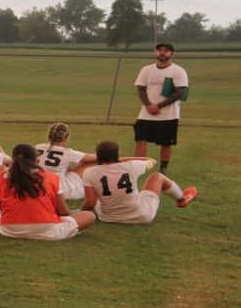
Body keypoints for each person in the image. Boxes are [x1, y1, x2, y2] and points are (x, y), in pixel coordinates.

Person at [0, 144, 96, 240]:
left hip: (10, 228)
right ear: (37, 160)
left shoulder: (1, 177)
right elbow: (63, 212)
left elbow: (2, 207)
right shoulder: (51, 177)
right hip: (47, 229)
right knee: (89, 216)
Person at [81, 141, 197, 224]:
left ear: (98, 155)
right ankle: (182, 199)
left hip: (108, 217)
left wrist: (81, 212)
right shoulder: (132, 165)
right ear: (116, 154)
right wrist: (121, 159)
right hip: (141, 216)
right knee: (157, 177)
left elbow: (90, 202)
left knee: (98, 197)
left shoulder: (90, 172)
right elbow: (151, 160)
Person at [133, 43, 189, 173]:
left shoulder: (178, 71)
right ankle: (139, 167)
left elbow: (180, 92)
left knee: (166, 143)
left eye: (166, 51)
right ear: (156, 52)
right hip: (146, 113)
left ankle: (163, 168)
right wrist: (148, 105)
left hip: (169, 114)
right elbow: (141, 89)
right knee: (140, 140)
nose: (162, 53)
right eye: (159, 50)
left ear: (171, 54)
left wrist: (158, 106)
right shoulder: (146, 69)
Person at [34, 122, 96, 200]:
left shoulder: (37, 147)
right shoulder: (67, 152)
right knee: (92, 162)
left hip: (39, 188)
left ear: (49, 136)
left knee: (68, 168)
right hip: (62, 191)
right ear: (66, 137)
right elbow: (96, 157)